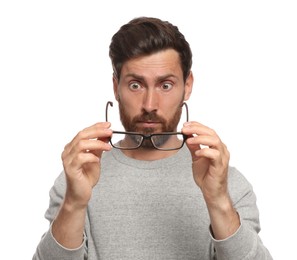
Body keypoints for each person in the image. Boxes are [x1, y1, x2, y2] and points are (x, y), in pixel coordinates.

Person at [33, 17, 272, 259]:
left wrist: (218, 200)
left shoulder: (228, 183)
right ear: (116, 87)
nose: (149, 105)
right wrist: (74, 203)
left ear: (187, 86)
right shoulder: (76, 178)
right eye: (135, 85)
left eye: (165, 85)